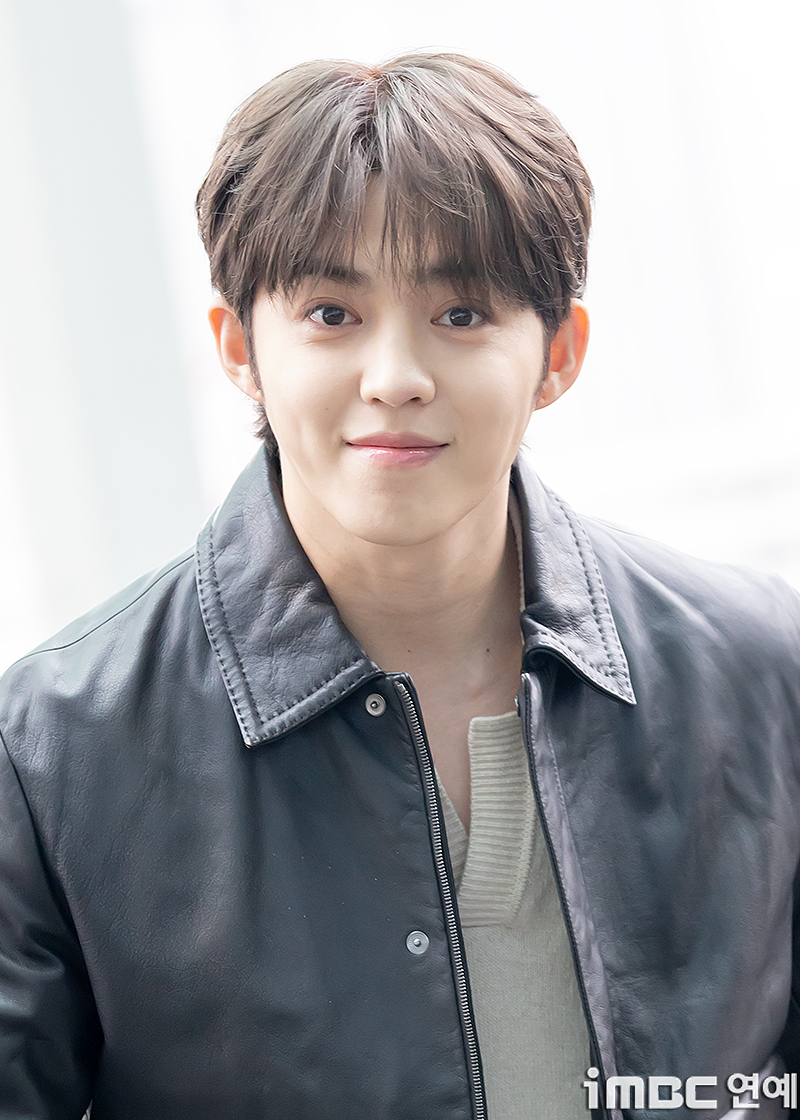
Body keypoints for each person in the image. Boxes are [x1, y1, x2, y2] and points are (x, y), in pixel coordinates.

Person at [1, 50, 799, 1120]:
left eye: (460, 314)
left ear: (559, 352)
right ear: (238, 347)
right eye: (332, 314)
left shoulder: (759, 668)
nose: (395, 377)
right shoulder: (52, 749)